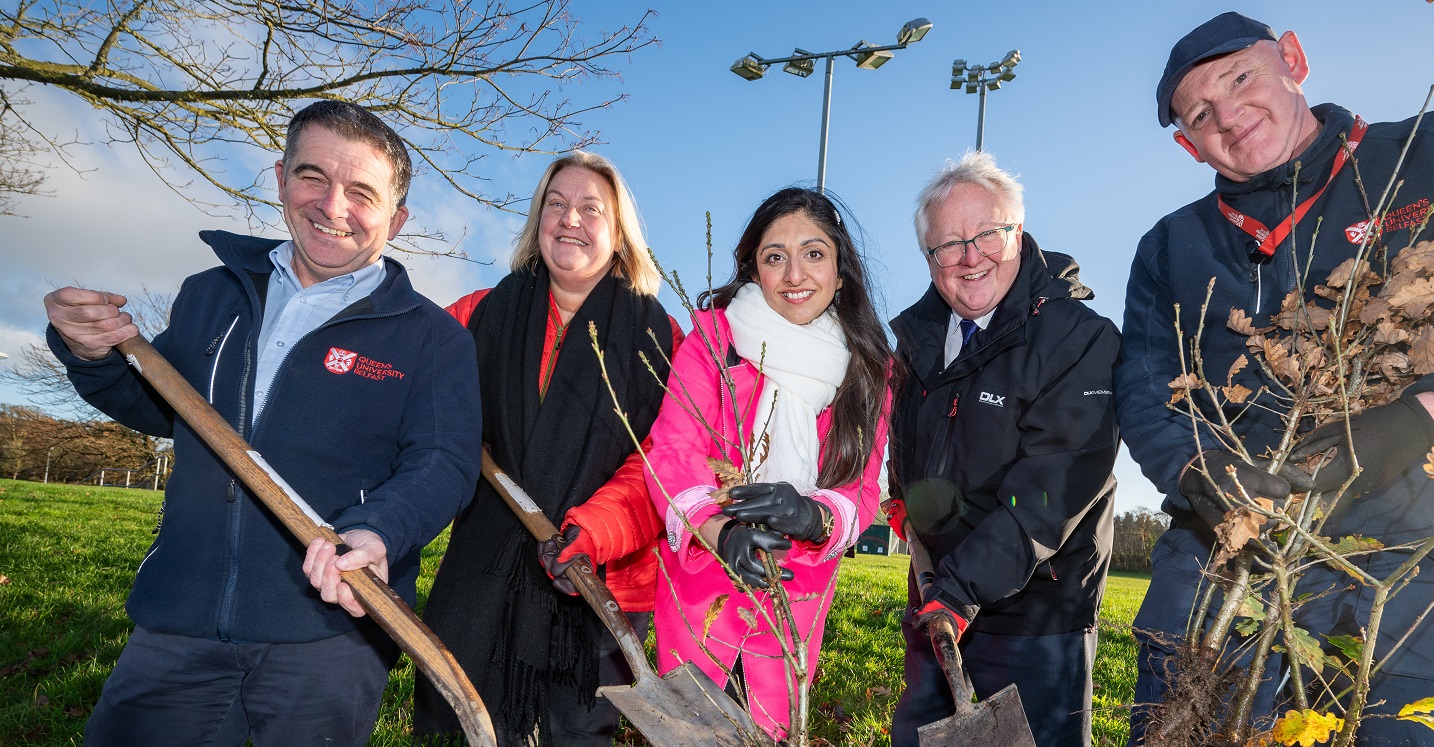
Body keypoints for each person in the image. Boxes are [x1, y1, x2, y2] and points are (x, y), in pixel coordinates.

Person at [1119, 12, 1434, 744]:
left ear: (1294, 59)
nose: (1230, 115)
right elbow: (1144, 387)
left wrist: (1432, 413)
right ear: (1189, 146)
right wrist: (1196, 469)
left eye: (1240, 78)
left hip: (1421, 560)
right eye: (1200, 114)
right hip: (1230, 561)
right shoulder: (1173, 249)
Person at [41, 100, 481, 746]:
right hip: (178, 618)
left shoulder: (432, 337)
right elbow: (159, 406)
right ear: (280, 179)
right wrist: (92, 355)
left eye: (361, 192)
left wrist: (379, 530)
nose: (333, 206)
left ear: (397, 216)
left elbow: (443, 461)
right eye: (313, 177)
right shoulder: (211, 295)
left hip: (329, 635)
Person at [412, 151, 683, 745]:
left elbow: (665, 459)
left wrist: (596, 532)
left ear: (619, 233)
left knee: (578, 734)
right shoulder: (477, 315)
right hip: (483, 574)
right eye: (555, 205)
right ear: (537, 222)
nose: (570, 220)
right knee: (461, 722)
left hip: (604, 580)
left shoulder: (661, 338)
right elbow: (411, 392)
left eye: (591, 208)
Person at [887, 152, 1121, 747]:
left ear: (1018, 232)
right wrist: (900, 497)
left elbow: (1058, 481)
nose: (969, 257)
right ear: (930, 258)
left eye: (987, 234)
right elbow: (907, 439)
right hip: (936, 600)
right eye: (948, 245)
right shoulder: (917, 341)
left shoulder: (1078, 338)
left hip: (1037, 618)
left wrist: (963, 590)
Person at [643, 187, 893, 740]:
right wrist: (718, 529)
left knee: (772, 730)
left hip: (795, 594)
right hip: (701, 591)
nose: (794, 274)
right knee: (692, 732)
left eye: (813, 253)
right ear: (754, 270)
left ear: (841, 270)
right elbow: (673, 450)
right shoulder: (714, 338)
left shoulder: (870, 371)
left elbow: (863, 485)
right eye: (774, 256)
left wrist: (815, 516)